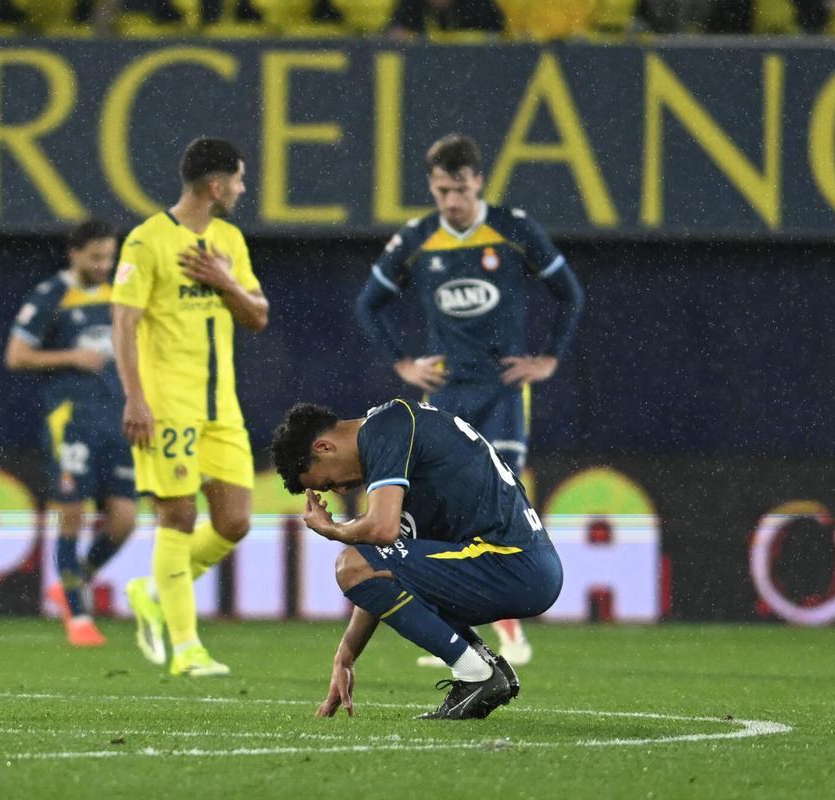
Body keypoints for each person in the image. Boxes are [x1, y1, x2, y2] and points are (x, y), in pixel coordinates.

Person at [355, 133, 584, 668]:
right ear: (432, 188)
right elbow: (369, 304)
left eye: (459, 189)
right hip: (449, 396)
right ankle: (456, 630)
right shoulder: (416, 239)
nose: (451, 201)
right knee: (436, 509)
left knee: (503, 506)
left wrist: (549, 358)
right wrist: (403, 363)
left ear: (478, 181)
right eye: (441, 191)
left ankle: (511, 634)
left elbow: (570, 292)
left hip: (502, 393)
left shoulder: (512, 228)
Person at [271, 399, 562, 719]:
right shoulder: (397, 441)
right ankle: (485, 665)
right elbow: (381, 573)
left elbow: (380, 532)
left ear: (324, 447)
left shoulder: (384, 429)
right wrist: (345, 657)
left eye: (328, 483)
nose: (339, 491)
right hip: (523, 565)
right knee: (362, 566)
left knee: (350, 562)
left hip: (509, 562)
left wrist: (333, 529)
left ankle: (476, 675)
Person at [111, 137, 269, 677]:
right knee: (177, 516)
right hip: (167, 404)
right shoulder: (146, 241)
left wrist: (223, 279)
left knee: (235, 522)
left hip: (221, 406)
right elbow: (124, 324)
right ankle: (186, 648)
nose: (243, 190)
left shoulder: (228, 240)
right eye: (240, 180)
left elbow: (258, 315)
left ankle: (154, 591)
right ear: (217, 185)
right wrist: (135, 396)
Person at [5, 219, 139, 647]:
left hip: (117, 420)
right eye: (96, 257)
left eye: (109, 256)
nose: (104, 264)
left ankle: (72, 582)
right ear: (74, 254)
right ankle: (78, 617)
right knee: (73, 512)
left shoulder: (121, 293)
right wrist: (72, 357)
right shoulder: (51, 295)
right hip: (72, 420)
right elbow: (16, 356)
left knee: (125, 520)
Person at [387, 0, 504, 40]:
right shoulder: (410, 4)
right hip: (424, 70)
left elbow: (496, 37)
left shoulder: (478, 5)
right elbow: (394, 33)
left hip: (472, 67)